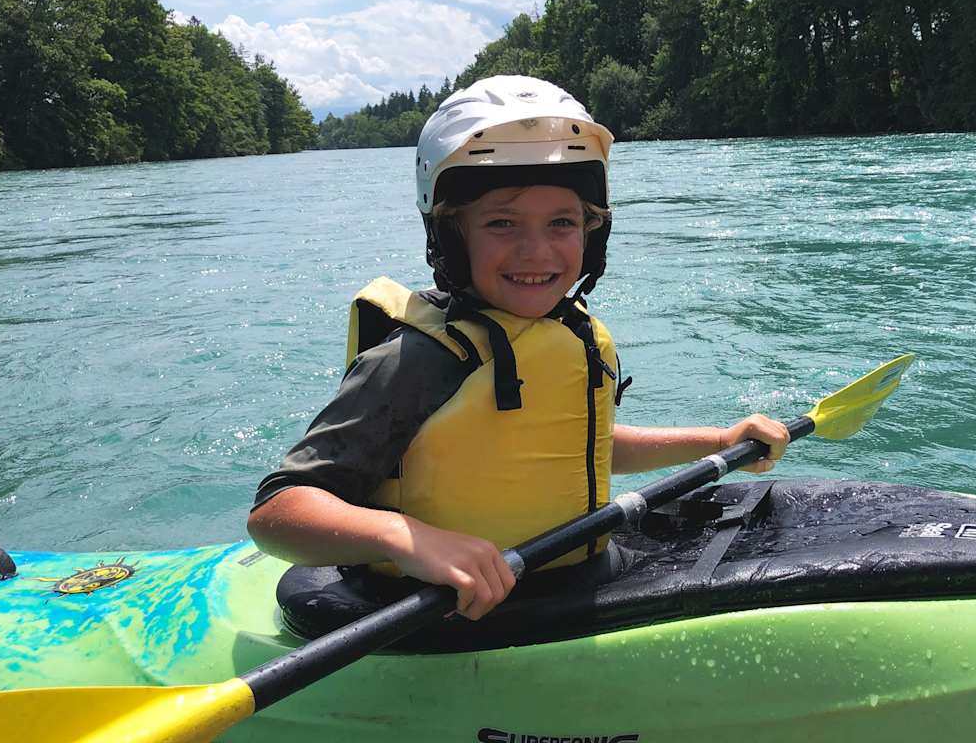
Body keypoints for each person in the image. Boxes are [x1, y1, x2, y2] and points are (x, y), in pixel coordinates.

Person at [247, 75, 790, 623]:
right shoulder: (417, 360)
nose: (537, 251)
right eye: (502, 223)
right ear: (452, 235)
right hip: (438, 615)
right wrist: (405, 538)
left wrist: (719, 440)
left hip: (576, 584)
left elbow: (577, 446)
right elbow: (277, 510)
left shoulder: (573, 332)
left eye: (562, 222)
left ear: (591, 232)